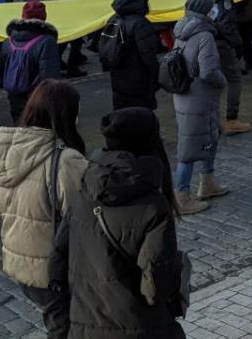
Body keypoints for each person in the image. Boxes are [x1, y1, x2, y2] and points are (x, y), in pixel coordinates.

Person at [52, 107, 185, 339]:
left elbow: (57, 262)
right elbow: (156, 289)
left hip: (85, 324)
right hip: (139, 326)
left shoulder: (83, 190)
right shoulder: (154, 206)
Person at [0, 80, 88, 338]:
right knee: (66, 329)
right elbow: (81, 220)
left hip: (23, 266)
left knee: (57, 323)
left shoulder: (10, 152)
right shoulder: (66, 160)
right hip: (55, 271)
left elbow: (2, 207)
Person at [171, 0, 228, 214]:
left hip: (184, 94)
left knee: (210, 135)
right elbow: (208, 71)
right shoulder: (204, 35)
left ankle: (208, 182)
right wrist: (222, 81)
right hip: (200, 96)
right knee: (190, 144)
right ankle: (182, 194)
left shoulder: (182, 29)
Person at [196, 0, 249, 135]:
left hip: (208, 38)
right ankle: (231, 119)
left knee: (212, 80)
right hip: (221, 40)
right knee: (234, 78)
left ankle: (210, 120)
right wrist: (236, 43)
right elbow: (225, 22)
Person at [102, 0, 164, 111]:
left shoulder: (114, 19)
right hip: (139, 77)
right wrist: (158, 76)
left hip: (118, 75)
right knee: (141, 115)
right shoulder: (141, 23)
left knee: (123, 113)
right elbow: (148, 55)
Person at [2, 0, 61, 122]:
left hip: (14, 92)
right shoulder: (47, 40)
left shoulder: (9, 40)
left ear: (23, 15)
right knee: (37, 128)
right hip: (36, 94)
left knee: (19, 124)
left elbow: (3, 66)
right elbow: (49, 73)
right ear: (44, 16)